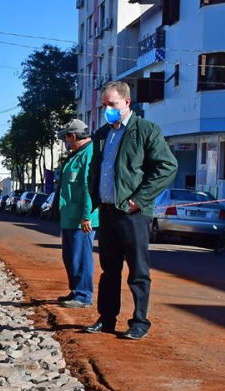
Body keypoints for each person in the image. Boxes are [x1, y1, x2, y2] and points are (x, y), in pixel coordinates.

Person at [86, 82, 177, 340]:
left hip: (134, 214)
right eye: (105, 105)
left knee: (138, 271)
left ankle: (139, 322)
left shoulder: (146, 130)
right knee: (109, 270)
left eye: (112, 105)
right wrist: (96, 200)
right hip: (108, 212)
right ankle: (106, 318)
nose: (108, 110)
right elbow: (97, 169)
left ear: (127, 102)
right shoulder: (102, 134)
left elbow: (167, 167)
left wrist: (140, 199)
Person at [56, 119, 98, 309]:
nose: (65, 142)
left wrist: (87, 215)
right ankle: (75, 290)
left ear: (73, 136)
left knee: (81, 257)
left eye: (66, 137)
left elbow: (89, 187)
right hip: (70, 217)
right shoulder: (76, 155)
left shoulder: (89, 154)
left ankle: (83, 295)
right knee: (70, 257)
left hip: (81, 219)